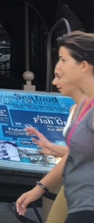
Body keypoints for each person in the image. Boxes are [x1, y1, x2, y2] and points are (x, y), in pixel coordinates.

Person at [16, 31, 94, 223]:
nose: (58, 66)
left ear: (83, 66)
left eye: (63, 60)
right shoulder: (84, 106)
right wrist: (40, 188)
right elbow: (75, 155)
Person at [19, 68, 86, 223]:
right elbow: (76, 153)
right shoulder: (75, 108)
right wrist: (52, 148)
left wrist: (39, 188)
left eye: (59, 76)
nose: (54, 82)